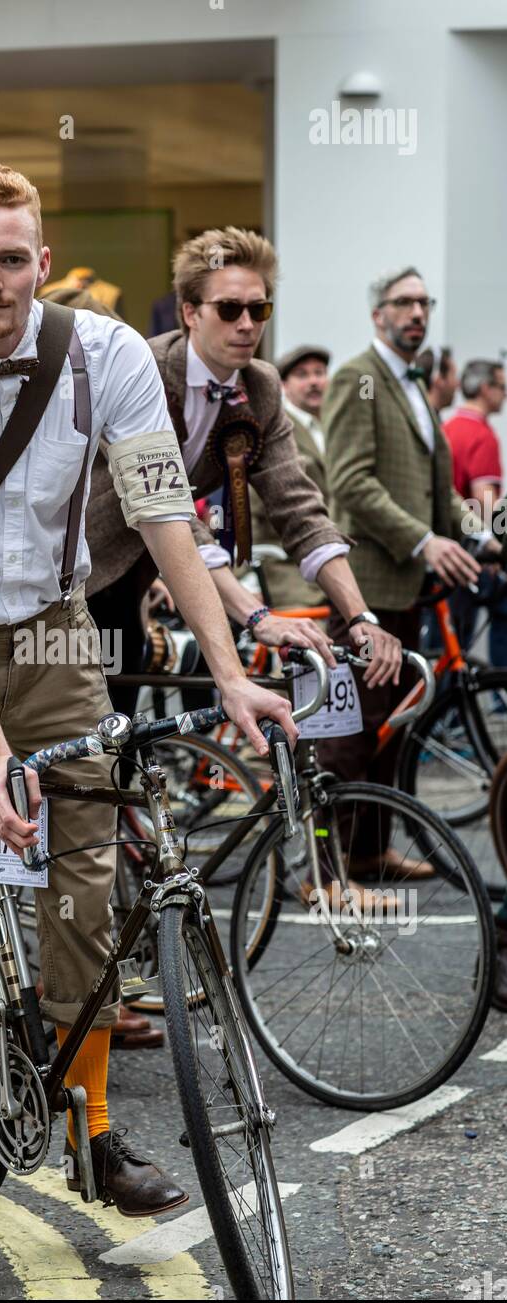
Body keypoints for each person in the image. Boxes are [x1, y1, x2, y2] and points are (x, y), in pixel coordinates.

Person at [0, 162, 296, 1248]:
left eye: (12, 256)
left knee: (83, 882)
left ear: (42, 258)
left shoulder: (109, 353)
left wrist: (227, 669)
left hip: (61, 624)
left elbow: (163, 515)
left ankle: (92, 1128)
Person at [83, 229, 402, 709]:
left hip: (147, 576)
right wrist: (257, 617)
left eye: (260, 309)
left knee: (125, 741)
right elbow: (166, 505)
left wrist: (360, 617)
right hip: (78, 573)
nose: (248, 324)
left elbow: (299, 506)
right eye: (229, 309)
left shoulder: (262, 386)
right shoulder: (142, 367)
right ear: (190, 313)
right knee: (83, 741)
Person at [319, 268, 495, 873]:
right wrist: (423, 541)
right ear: (378, 314)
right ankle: (330, 869)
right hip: (364, 585)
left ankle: (371, 853)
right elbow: (350, 482)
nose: (416, 312)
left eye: (424, 302)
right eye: (403, 303)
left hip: (405, 590)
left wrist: (482, 536)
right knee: (348, 735)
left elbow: (438, 491)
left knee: (391, 728)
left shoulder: (416, 386)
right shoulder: (356, 378)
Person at [249, 344, 331, 609]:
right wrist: (247, 577)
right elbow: (250, 507)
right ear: (283, 385)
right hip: (285, 566)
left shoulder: (331, 428)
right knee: (316, 640)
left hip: (328, 559)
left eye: (319, 373)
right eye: (303, 375)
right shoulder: (275, 431)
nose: (314, 382)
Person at [444, 359, 507, 662]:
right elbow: (486, 500)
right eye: (502, 387)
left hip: (446, 549)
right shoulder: (482, 435)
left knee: (452, 640)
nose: (505, 395)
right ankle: (497, 694)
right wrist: (499, 543)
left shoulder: (448, 427)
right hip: (471, 551)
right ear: (486, 389)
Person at [416, 344, 458, 416]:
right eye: (453, 376)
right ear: (438, 379)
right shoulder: (422, 421)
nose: (457, 384)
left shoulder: (426, 418)